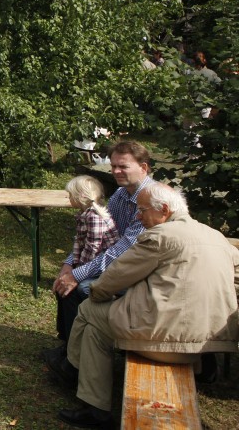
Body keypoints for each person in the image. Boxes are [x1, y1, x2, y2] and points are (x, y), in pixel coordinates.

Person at [52, 184, 239, 428]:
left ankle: (81, 386)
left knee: (89, 310)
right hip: (211, 340)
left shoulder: (159, 236)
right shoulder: (216, 237)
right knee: (95, 327)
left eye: (142, 210)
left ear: (164, 210)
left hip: (165, 339)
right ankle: (77, 377)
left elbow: (116, 275)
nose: (138, 217)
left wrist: (97, 293)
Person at [45, 141, 151, 363]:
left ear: (143, 167)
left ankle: (75, 358)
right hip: (119, 267)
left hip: (142, 275)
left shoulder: (150, 200)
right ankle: (70, 347)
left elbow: (121, 251)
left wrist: (77, 273)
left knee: (79, 287)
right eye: (113, 166)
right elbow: (102, 236)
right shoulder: (121, 194)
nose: (116, 171)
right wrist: (68, 265)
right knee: (66, 283)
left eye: (123, 166)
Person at [63, 176, 120, 295]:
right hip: (94, 261)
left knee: (81, 288)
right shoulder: (84, 215)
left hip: (105, 264)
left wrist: (79, 271)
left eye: (71, 195)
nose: (69, 198)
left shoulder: (94, 217)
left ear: (81, 197)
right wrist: (74, 263)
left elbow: (92, 247)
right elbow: (80, 241)